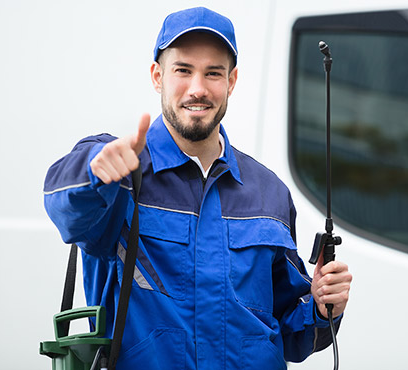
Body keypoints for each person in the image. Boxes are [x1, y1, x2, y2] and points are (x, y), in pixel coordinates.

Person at [44, 6, 352, 369]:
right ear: (157, 76)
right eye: (183, 70)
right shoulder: (119, 174)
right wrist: (93, 170)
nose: (198, 89)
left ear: (231, 82)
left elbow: (290, 331)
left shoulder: (269, 193)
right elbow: (67, 208)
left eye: (213, 73)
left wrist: (319, 307)